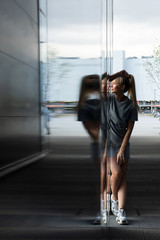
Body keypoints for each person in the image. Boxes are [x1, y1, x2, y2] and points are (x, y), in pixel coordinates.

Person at [103, 70, 138, 225]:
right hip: (108, 145)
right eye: (112, 83)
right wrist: (116, 75)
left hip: (122, 145)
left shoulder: (130, 105)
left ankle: (121, 211)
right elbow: (103, 81)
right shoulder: (108, 100)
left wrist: (123, 149)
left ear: (123, 87)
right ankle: (114, 199)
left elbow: (129, 129)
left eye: (115, 83)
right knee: (116, 172)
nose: (111, 86)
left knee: (122, 177)